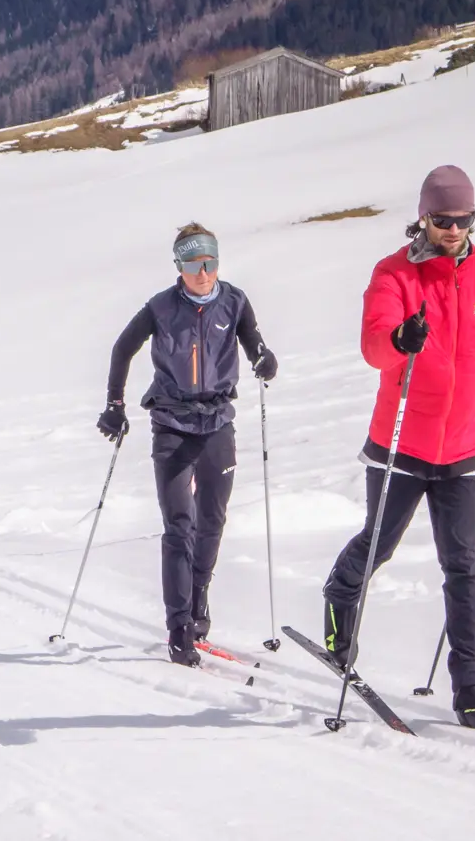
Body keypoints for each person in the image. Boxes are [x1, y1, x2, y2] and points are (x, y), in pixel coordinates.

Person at [320, 165, 475, 733]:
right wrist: (397, 340)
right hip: (401, 441)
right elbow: (374, 348)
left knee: (463, 566)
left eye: (462, 220)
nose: (452, 230)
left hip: (466, 446)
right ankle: (341, 595)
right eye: (441, 220)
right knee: (379, 543)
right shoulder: (393, 274)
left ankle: (472, 690)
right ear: (423, 217)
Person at [99, 223, 278, 668]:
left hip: (218, 421)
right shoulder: (161, 307)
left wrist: (263, 356)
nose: (203, 273)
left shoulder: (234, 301)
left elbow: (252, 339)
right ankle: (178, 626)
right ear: (178, 266)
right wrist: (115, 405)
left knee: (212, 520)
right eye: (194, 264)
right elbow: (122, 349)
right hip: (172, 424)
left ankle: (199, 601)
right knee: (181, 526)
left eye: (210, 262)